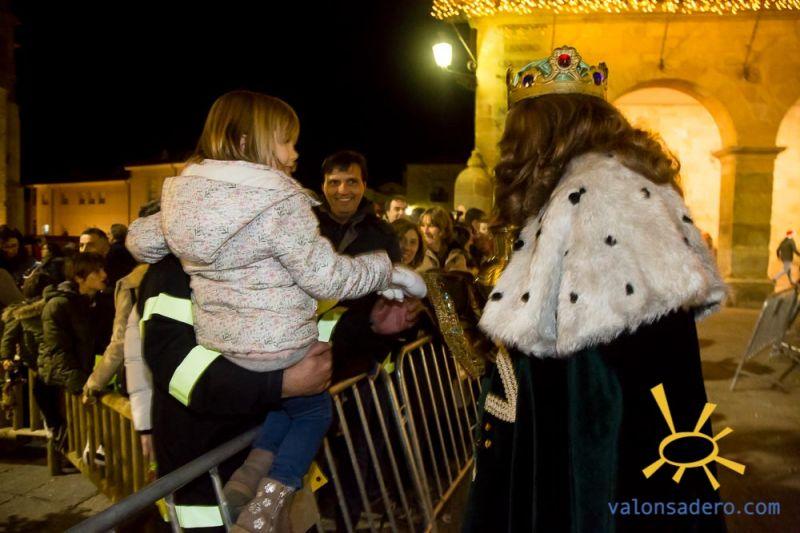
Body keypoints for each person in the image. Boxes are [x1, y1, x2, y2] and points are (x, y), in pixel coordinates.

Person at [126, 90, 424, 531]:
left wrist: (371, 326)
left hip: (272, 464)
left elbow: (301, 324)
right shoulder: (174, 262)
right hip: (211, 475)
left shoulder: (268, 233)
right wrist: (278, 383)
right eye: (285, 142)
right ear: (248, 146)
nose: (294, 157)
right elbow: (176, 368)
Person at [464, 46, 728, 532]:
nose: (511, 150)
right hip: (650, 437)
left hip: (609, 448)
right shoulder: (626, 182)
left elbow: (585, 378)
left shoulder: (589, 197)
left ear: (543, 132)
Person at [37, 252, 113, 396]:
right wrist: (81, 384)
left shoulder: (103, 303)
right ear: (79, 278)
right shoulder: (58, 305)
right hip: (59, 385)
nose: (104, 275)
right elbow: (58, 350)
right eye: (96, 271)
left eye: (103, 269)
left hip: (90, 379)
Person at [418, 206, 471, 273]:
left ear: (443, 230)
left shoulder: (456, 254)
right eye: (422, 225)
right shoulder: (417, 254)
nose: (425, 231)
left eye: (431, 226)